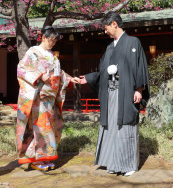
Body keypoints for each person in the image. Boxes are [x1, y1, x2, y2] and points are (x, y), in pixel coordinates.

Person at [78, 11, 149, 176]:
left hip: (126, 92)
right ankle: (112, 162)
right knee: (110, 125)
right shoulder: (110, 47)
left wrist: (139, 89)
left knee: (125, 125)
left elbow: (139, 67)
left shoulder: (133, 42)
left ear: (114, 24)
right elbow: (103, 72)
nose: (105, 31)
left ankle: (128, 165)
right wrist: (88, 79)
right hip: (110, 93)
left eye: (106, 28)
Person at [16, 26, 77, 171]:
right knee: (39, 127)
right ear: (43, 37)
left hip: (50, 98)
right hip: (38, 96)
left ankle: (45, 157)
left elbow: (59, 73)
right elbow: (21, 69)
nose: (53, 43)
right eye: (51, 40)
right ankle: (36, 159)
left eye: (55, 41)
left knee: (49, 127)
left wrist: (69, 79)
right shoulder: (33, 52)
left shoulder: (53, 56)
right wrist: (39, 75)